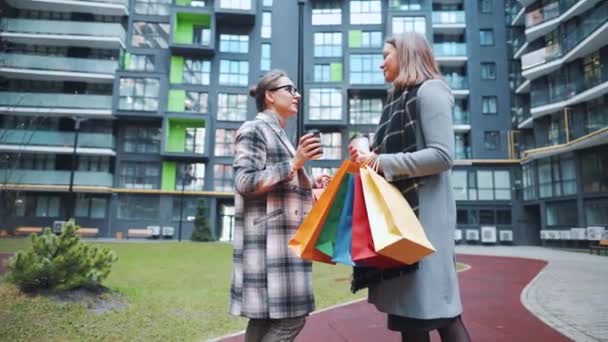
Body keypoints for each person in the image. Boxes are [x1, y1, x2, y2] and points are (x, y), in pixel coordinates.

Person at [349, 32, 471, 342]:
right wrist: (365, 147)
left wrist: (380, 162)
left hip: (424, 223)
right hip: (400, 220)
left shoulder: (431, 91)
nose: (380, 64)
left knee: (441, 314)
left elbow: (442, 156)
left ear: (405, 56)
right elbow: (379, 150)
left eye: (385, 56)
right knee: (409, 318)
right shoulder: (394, 101)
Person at [229, 69, 329, 342]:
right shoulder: (254, 129)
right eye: (290, 89)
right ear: (270, 96)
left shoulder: (280, 134)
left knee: (262, 320)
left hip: (280, 245)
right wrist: (295, 163)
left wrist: (312, 183)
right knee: (291, 320)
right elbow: (245, 181)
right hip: (267, 246)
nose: (297, 95)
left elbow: (285, 184)